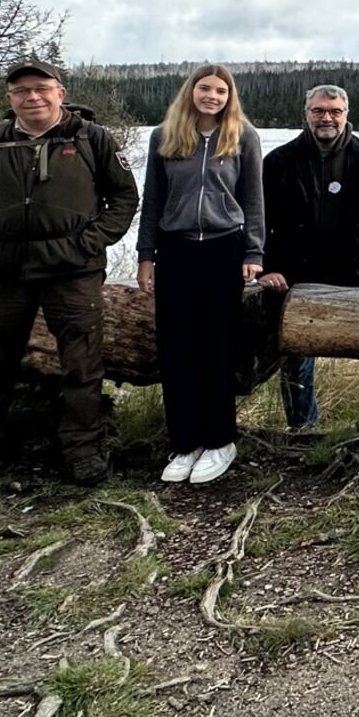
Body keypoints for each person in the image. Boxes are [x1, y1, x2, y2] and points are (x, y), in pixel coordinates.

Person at [0, 59, 140, 492]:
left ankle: (82, 449)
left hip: (73, 271)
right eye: (22, 90)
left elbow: (124, 198)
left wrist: (85, 244)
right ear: (10, 99)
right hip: (5, 271)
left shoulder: (92, 139)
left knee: (82, 363)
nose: (33, 97)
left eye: (42, 88)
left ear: (60, 93)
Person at [137, 63, 265, 487]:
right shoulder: (165, 135)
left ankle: (220, 440)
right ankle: (184, 441)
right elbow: (152, 200)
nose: (212, 96)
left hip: (223, 248)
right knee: (176, 348)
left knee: (217, 346)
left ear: (230, 97)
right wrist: (146, 255)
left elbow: (253, 198)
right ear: (191, 91)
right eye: (205, 88)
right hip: (175, 249)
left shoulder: (242, 136)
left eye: (221, 91)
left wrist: (254, 250)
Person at [257, 85, 359, 433]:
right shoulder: (279, 161)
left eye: (334, 111)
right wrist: (267, 268)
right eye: (318, 111)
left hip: (354, 273)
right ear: (306, 113)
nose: (327, 118)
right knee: (294, 355)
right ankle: (303, 428)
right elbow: (259, 219)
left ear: (346, 114)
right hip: (295, 274)